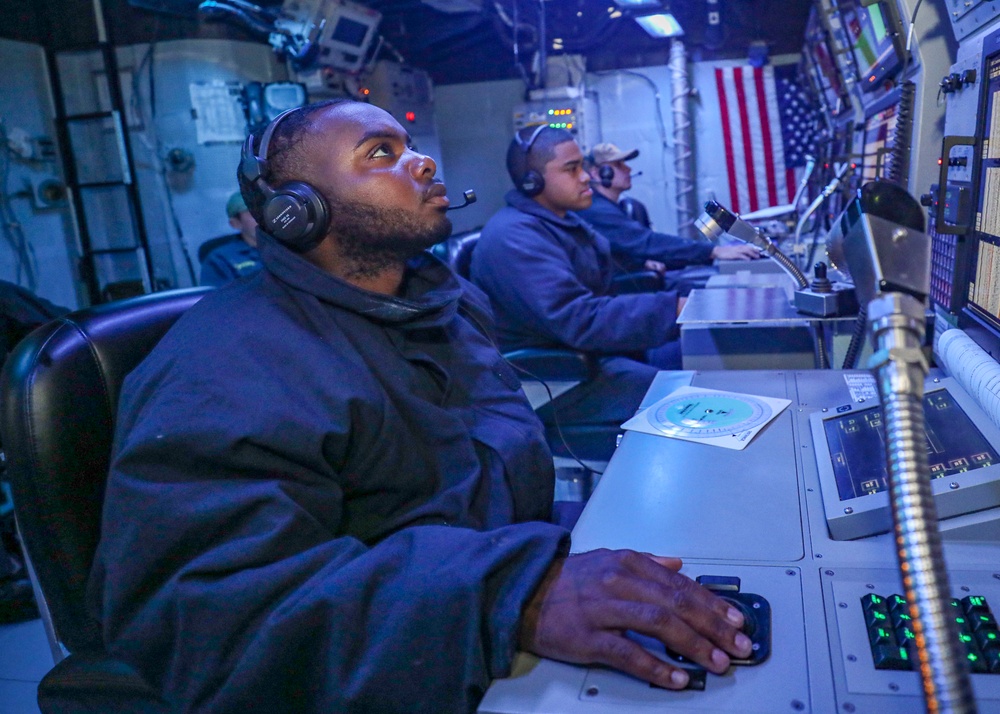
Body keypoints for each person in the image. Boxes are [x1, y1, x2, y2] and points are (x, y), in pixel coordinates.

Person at [88, 100, 751, 713]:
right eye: (379, 152)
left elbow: (476, 496)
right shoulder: (228, 365)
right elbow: (212, 618)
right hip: (419, 654)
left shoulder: (447, 306)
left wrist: (585, 548)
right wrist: (512, 595)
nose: (423, 161)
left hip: (479, 610)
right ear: (298, 209)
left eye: (411, 146)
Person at [470, 126, 692, 454]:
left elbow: (606, 290)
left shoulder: (560, 222)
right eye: (571, 169)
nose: (587, 177)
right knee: (687, 399)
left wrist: (678, 299)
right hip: (551, 380)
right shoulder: (516, 238)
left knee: (694, 359)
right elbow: (579, 319)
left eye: (583, 166)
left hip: (583, 357)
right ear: (532, 181)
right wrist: (672, 308)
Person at [578, 142, 760, 292]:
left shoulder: (625, 207)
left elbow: (636, 248)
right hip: (623, 294)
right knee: (713, 289)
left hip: (640, 282)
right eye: (618, 165)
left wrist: (645, 260)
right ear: (596, 173)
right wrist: (714, 251)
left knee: (715, 279)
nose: (628, 169)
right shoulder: (595, 209)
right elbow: (646, 242)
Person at [198, 191, 262, 287]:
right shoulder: (219, 260)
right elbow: (218, 299)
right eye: (253, 213)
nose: (262, 216)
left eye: (264, 209)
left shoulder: (286, 245)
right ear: (236, 223)